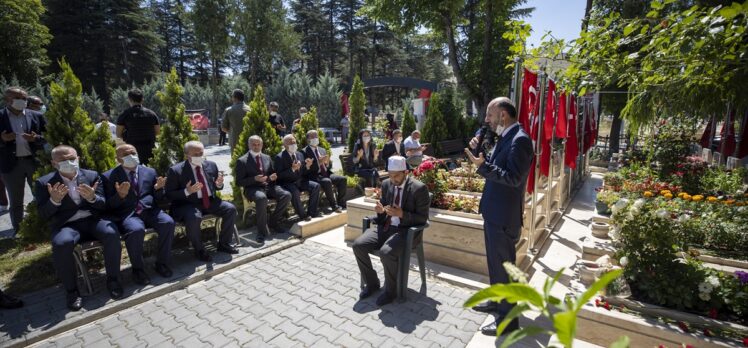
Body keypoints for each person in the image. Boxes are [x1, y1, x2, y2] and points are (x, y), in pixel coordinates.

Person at [464, 97, 533, 336]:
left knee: (504, 269)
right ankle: (497, 302)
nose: (486, 120)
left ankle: (508, 321)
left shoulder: (521, 140)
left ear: (503, 115)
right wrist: (478, 151)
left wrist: (483, 167)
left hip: (504, 217)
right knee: (495, 265)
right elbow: (493, 166)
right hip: (494, 213)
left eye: (490, 115)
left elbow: (513, 178)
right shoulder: (506, 137)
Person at [35, 145, 123, 310]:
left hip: (92, 220)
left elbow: (104, 204)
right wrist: (54, 201)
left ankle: (113, 280)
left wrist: (92, 198)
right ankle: (72, 291)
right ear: (54, 163)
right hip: (67, 225)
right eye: (63, 160)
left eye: (71, 158)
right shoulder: (44, 183)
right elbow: (43, 214)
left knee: (111, 233)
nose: (69, 162)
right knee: (62, 244)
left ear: (78, 159)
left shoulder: (91, 176)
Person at [351, 156, 430, 306]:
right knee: (358, 245)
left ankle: (390, 291)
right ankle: (373, 283)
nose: (393, 179)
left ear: (405, 172)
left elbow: (422, 218)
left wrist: (402, 215)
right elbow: (385, 210)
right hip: (386, 227)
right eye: (390, 175)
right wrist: (381, 211)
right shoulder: (387, 184)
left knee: (386, 252)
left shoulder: (419, 188)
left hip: (406, 232)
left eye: (397, 175)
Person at [102, 144, 176, 284]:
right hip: (129, 214)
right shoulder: (109, 176)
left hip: (150, 210)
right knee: (136, 230)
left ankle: (162, 263)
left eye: (133, 152)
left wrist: (159, 189)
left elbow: (159, 197)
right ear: (118, 158)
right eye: (126, 155)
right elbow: (108, 206)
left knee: (168, 222)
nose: (131, 156)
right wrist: (120, 196)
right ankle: (138, 269)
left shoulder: (149, 171)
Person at [165, 141, 239, 262]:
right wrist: (187, 191)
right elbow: (169, 194)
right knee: (194, 217)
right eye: (196, 154)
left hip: (209, 201)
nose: (199, 156)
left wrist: (219, 185)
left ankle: (224, 244)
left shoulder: (211, 165)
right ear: (186, 155)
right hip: (187, 204)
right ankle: (199, 250)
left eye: (201, 152)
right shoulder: (176, 170)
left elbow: (215, 186)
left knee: (230, 209)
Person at [0, 87, 47, 233]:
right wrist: (2, 139)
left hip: (33, 162)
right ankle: (20, 231)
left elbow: (48, 137)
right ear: (8, 100)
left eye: (25, 98)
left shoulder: (36, 116)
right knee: (16, 201)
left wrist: (36, 138)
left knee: (42, 195)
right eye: (19, 98)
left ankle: (44, 227)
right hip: (11, 165)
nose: (23, 101)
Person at [235, 135, 291, 244]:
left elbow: (271, 173)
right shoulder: (242, 161)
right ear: (249, 145)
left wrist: (272, 177)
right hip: (252, 188)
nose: (256, 146)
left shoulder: (266, 157)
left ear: (262, 145)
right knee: (261, 198)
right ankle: (261, 231)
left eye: (258, 144)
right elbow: (239, 182)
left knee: (286, 195)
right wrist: (254, 179)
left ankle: (273, 222)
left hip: (268, 186)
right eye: (254, 144)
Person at [274, 134, 321, 221]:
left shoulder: (299, 154)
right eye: (291, 143)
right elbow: (279, 175)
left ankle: (312, 212)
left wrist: (307, 166)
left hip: (300, 181)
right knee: (295, 192)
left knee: (316, 186)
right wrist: (292, 169)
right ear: (285, 145)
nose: (293, 145)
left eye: (294, 142)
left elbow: (303, 171)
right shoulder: (279, 157)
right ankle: (303, 216)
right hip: (288, 183)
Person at [303, 130, 347, 212]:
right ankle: (334, 205)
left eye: (316, 136)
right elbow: (307, 170)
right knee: (327, 181)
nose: (315, 138)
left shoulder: (322, 150)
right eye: (312, 137)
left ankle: (341, 203)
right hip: (314, 176)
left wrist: (327, 163)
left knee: (342, 179)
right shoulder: (304, 152)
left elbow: (328, 166)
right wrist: (318, 163)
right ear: (307, 140)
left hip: (326, 173)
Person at [116, 89, 160, 165]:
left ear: (129, 99)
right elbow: (157, 132)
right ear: (142, 99)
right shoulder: (152, 114)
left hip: (132, 150)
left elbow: (118, 134)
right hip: (149, 149)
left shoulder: (125, 114)